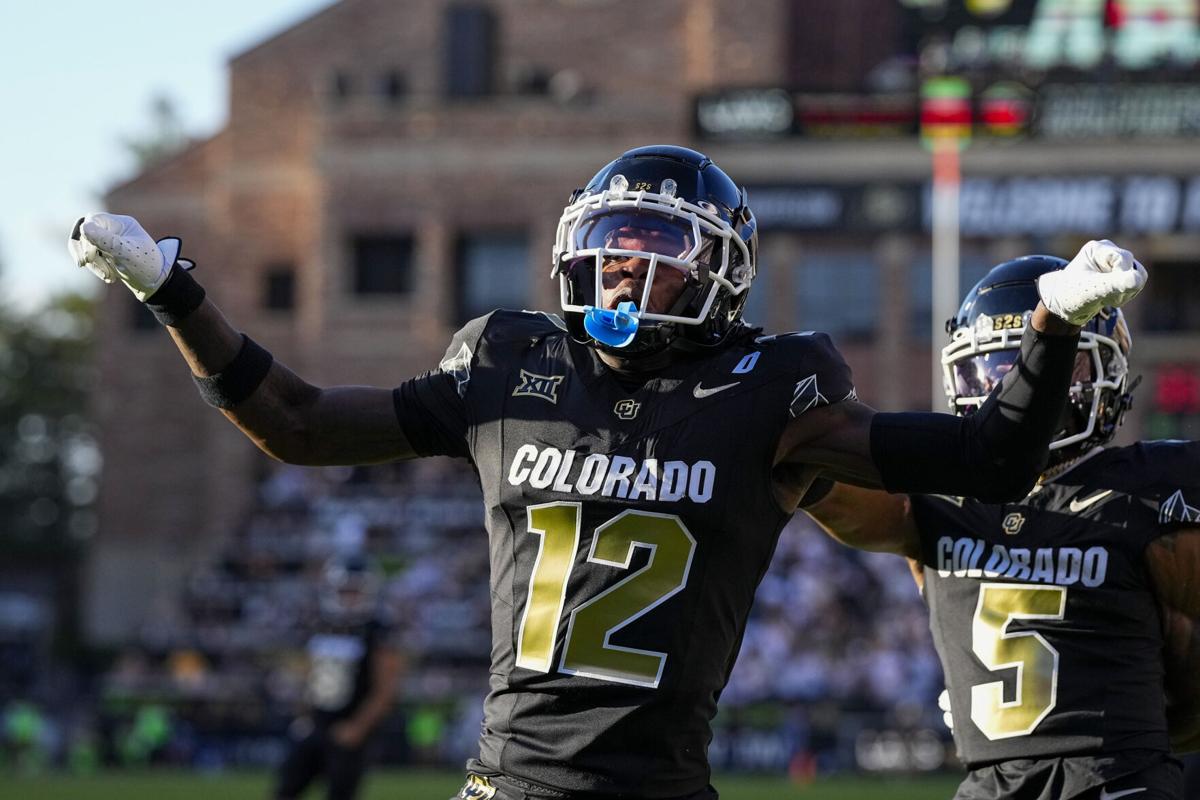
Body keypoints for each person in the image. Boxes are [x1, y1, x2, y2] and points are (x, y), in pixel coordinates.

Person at [70, 145, 1148, 800]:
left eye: (654, 242)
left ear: (717, 269)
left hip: (661, 782)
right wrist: (175, 294)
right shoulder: (511, 360)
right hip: (512, 780)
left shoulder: (772, 387)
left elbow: (996, 461)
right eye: (612, 236)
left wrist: (1052, 326)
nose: (623, 261)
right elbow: (300, 423)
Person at [801, 255, 1199, 800]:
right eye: (992, 368)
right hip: (990, 785)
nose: (1012, 385)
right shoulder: (936, 502)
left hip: (1117, 780)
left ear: (1103, 373)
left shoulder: (1149, 491)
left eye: (1044, 362)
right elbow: (829, 493)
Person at [274, 554, 403, 800]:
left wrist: (357, 727)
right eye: (345, 590)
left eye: (356, 590)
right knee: (285, 790)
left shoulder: (377, 629)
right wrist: (302, 713)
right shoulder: (319, 623)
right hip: (315, 723)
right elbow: (307, 675)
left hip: (349, 726)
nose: (350, 596)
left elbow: (386, 689)